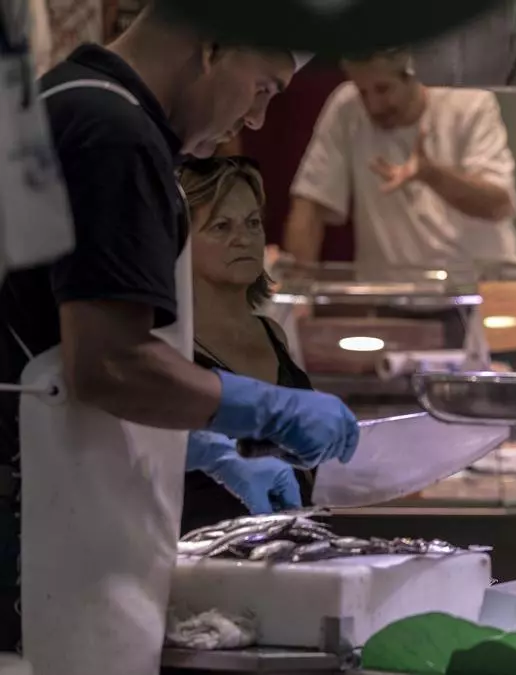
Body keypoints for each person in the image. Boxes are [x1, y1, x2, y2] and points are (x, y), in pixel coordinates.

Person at [0, 5, 359, 675]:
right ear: (214, 44)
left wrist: (202, 449)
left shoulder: (70, 99)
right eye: (264, 87)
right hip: (39, 554)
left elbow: (42, 341)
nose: (258, 119)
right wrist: (262, 407)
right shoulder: (113, 135)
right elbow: (106, 365)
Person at [283, 48, 516, 365]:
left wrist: (431, 174)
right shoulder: (346, 107)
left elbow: (499, 204)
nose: (373, 105)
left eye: (383, 89)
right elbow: (309, 205)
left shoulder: (470, 101)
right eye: (363, 91)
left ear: (414, 75)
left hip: (487, 298)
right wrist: (298, 298)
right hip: (392, 302)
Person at [178, 156, 317, 533]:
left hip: (292, 542)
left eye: (253, 223)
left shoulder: (273, 333)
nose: (244, 238)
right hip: (204, 550)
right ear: (181, 240)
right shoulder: (170, 345)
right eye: (221, 226)